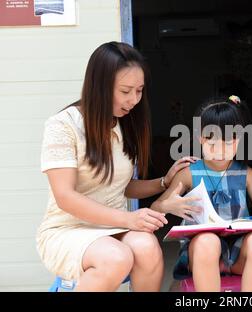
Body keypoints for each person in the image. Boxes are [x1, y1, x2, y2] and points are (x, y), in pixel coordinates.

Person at [37, 41, 198, 292]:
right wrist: (128, 218)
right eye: (125, 91)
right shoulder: (63, 126)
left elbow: (122, 186)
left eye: (139, 90)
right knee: (117, 257)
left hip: (113, 228)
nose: (134, 99)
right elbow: (65, 196)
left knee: (147, 248)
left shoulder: (124, 124)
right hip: (68, 229)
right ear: (100, 86)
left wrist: (164, 181)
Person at [151, 95, 252, 291]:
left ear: (239, 139)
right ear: (200, 138)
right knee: (207, 240)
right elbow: (154, 208)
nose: (220, 151)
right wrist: (168, 206)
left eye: (228, 143)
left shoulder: (246, 174)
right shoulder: (189, 173)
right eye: (212, 143)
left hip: (238, 256)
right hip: (203, 255)